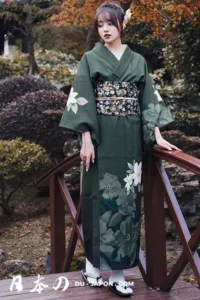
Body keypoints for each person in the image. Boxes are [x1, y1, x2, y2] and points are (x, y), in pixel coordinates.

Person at [59, 2, 181, 297]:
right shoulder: (90, 59)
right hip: (101, 140)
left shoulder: (138, 61)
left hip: (129, 146)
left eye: (110, 24)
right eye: (100, 25)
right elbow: (82, 98)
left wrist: (158, 136)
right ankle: (92, 265)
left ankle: (117, 274)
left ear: (121, 25)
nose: (105, 30)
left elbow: (148, 101)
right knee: (96, 200)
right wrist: (85, 138)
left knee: (126, 204)